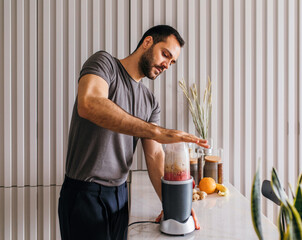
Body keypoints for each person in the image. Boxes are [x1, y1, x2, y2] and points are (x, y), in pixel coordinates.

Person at [58, 25, 208, 240]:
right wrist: (157, 131)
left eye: (172, 62)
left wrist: (173, 206)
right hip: (84, 194)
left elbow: (155, 155)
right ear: (147, 42)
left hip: (120, 194)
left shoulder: (150, 102)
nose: (166, 65)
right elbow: (89, 103)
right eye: (165, 54)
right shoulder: (104, 63)